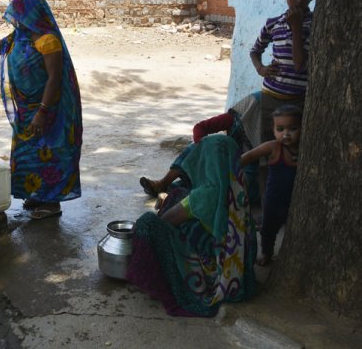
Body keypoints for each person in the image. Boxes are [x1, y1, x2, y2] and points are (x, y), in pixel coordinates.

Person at [0, 0, 83, 220]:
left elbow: (54, 78)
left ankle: (52, 203)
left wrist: (42, 112)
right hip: (25, 109)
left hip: (48, 108)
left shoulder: (48, 40)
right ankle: (37, 193)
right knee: (28, 152)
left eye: (20, 15)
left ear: (33, 15)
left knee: (50, 152)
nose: (17, 20)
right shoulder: (19, 36)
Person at [126, 135, 257, 317]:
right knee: (180, 193)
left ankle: (150, 277)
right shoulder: (239, 186)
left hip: (209, 271)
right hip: (234, 267)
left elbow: (165, 222)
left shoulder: (205, 194)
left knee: (147, 223)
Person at [139, 91, 262, 205]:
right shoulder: (238, 118)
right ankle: (163, 183)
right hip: (221, 164)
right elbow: (200, 128)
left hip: (246, 177)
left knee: (222, 190)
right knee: (198, 147)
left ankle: (170, 195)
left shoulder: (276, 132)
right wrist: (206, 151)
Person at [250, 0, 315, 144]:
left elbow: (299, 65)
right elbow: (255, 51)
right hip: (270, 96)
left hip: (299, 100)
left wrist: (296, 27)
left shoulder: (316, 24)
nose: (300, 1)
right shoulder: (273, 23)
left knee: (292, 148)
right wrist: (261, 69)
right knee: (267, 145)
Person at [240, 105, 301, 266]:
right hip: (273, 200)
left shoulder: (305, 148)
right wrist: (232, 169)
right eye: (280, 129)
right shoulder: (274, 147)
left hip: (297, 201)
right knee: (269, 229)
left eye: (293, 128)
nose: (286, 134)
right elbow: (250, 156)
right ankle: (267, 253)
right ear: (273, 130)